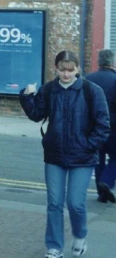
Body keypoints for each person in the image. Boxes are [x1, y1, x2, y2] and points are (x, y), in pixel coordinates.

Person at [20, 50, 110, 258]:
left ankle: (80, 235)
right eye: (62, 70)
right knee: (54, 203)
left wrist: (89, 145)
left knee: (76, 203)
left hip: (83, 157)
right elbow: (36, 115)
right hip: (55, 156)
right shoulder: (49, 90)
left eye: (70, 70)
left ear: (78, 69)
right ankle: (54, 247)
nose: (66, 74)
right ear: (56, 69)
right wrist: (27, 97)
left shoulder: (91, 90)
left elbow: (103, 125)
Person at [86, 49, 116, 203]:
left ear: (99, 62)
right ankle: (107, 181)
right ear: (112, 62)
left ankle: (102, 193)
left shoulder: (88, 79)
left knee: (99, 159)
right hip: (112, 127)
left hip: (93, 127)